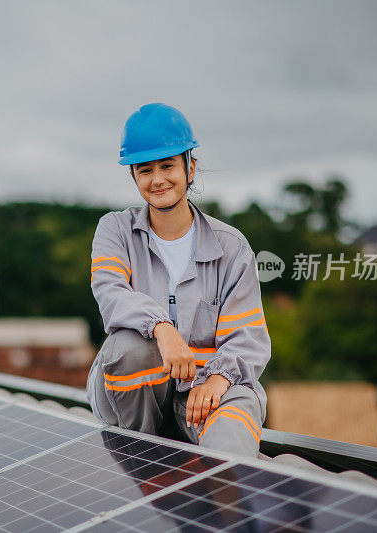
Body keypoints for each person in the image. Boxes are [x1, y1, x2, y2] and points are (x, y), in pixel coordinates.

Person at [87, 103, 271, 457]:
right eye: (145, 170)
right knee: (130, 348)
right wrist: (161, 328)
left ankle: (226, 495)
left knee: (237, 417)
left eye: (168, 165)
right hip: (131, 397)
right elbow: (111, 293)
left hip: (203, 388)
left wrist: (218, 379)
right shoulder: (115, 230)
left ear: (191, 167)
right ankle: (144, 456)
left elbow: (248, 336)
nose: (157, 180)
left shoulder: (231, 248)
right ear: (134, 177)